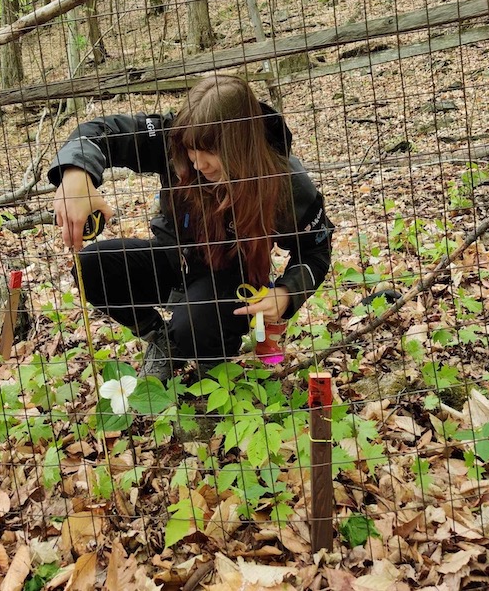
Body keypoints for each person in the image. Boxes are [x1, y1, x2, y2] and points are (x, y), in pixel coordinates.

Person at [49, 75, 333, 381]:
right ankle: (163, 341)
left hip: (230, 279)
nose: (198, 164)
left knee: (195, 326)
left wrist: (287, 292)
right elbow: (101, 132)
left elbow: (316, 249)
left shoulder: (284, 179)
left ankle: (212, 360)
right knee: (91, 266)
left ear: (241, 145)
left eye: (210, 150)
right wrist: (76, 173)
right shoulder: (173, 138)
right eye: (191, 150)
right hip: (176, 257)